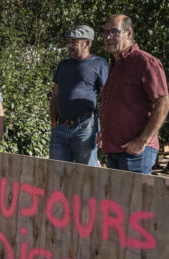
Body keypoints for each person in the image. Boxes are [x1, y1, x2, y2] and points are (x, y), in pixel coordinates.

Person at [99, 14, 169, 174]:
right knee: (118, 199)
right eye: (105, 33)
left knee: (137, 199)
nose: (108, 37)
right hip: (114, 151)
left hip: (136, 154)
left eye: (114, 32)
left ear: (129, 33)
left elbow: (164, 103)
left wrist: (142, 141)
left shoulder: (145, 62)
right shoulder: (114, 64)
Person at [49, 25, 108, 166]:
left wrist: (104, 130)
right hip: (60, 128)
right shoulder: (63, 64)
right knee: (56, 174)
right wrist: (53, 123)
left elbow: (107, 99)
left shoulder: (99, 64)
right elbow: (55, 95)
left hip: (85, 127)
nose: (69, 45)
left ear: (87, 43)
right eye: (68, 42)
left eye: (74, 42)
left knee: (87, 175)